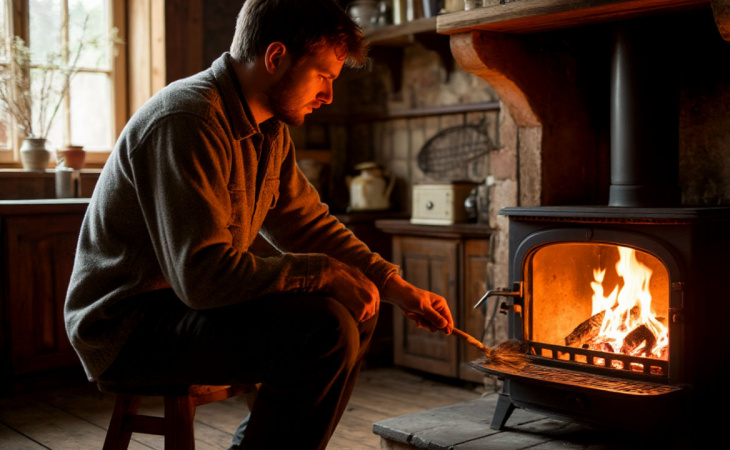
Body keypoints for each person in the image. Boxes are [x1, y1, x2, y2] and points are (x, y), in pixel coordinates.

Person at [63, 0, 454, 448]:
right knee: (325, 328)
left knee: (359, 305)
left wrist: (395, 287)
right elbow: (203, 277)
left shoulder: (269, 129)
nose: (328, 95)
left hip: (185, 306)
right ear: (275, 57)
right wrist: (324, 272)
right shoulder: (188, 119)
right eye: (323, 76)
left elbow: (308, 224)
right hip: (128, 327)